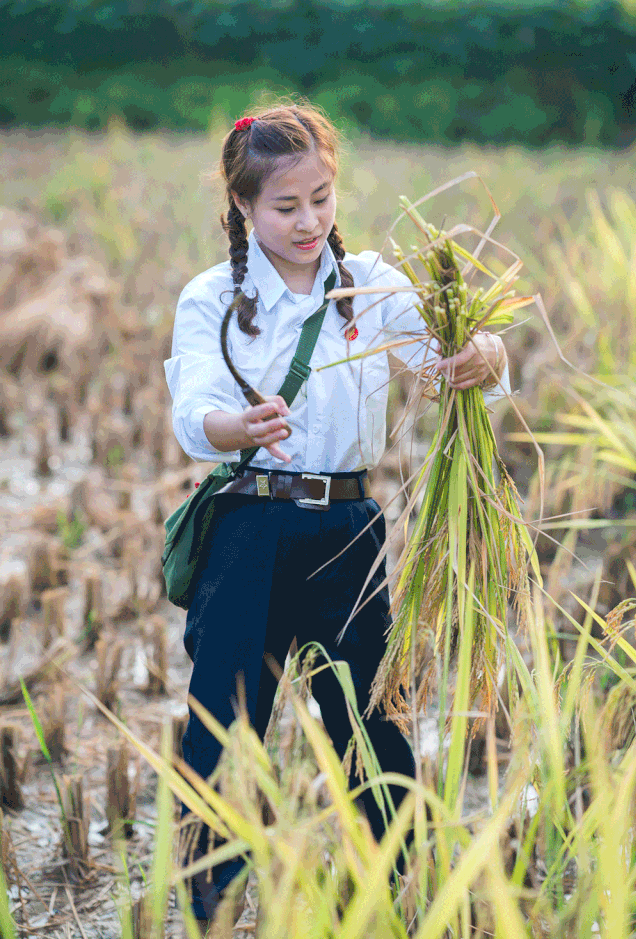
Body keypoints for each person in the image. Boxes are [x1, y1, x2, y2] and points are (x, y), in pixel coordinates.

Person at [163, 100, 509, 931]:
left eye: (322, 197)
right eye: (286, 206)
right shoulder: (212, 297)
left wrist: (484, 354)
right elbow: (192, 412)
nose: (310, 220)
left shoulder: (373, 287)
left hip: (347, 532)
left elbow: (448, 361)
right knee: (224, 716)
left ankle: (387, 889)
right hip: (246, 528)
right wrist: (234, 427)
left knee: (370, 715)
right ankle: (210, 899)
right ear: (242, 206)